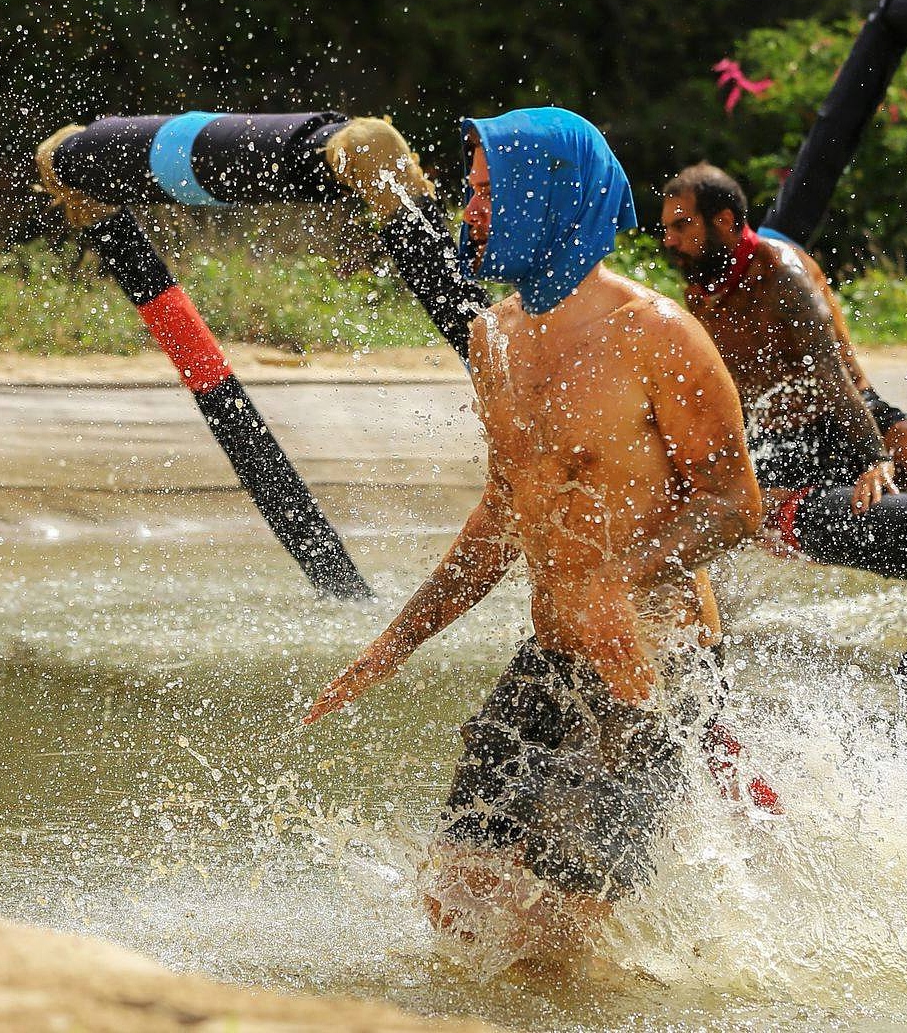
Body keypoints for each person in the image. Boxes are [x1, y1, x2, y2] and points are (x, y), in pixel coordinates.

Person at [303, 108, 765, 957]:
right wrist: (394, 642)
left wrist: (621, 584)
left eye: (487, 193)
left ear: (549, 198)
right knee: (455, 897)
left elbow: (738, 505)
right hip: (550, 656)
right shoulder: (494, 336)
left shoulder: (658, 334)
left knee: (566, 944)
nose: (470, 212)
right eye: (471, 192)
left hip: (650, 671)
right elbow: (503, 515)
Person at [659, 163, 907, 581]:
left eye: (681, 226)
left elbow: (833, 379)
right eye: (667, 229)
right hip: (777, 438)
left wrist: (875, 459)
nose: (669, 241)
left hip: (847, 411)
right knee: (745, 511)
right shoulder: (701, 295)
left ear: (725, 221)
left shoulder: (782, 273)